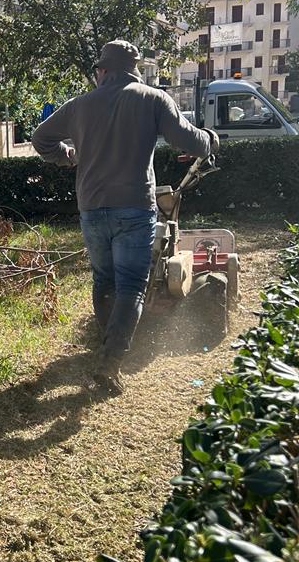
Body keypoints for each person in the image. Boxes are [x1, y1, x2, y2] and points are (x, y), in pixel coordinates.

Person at [31, 39, 218, 394]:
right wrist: (210, 139)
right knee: (131, 285)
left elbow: (41, 139)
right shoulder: (153, 98)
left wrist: (70, 155)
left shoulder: (79, 105)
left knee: (104, 281)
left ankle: (106, 347)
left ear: (103, 71)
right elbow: (190, 141)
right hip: (134, 206)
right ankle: (110, 362)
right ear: (133, 70)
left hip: (91, 207)